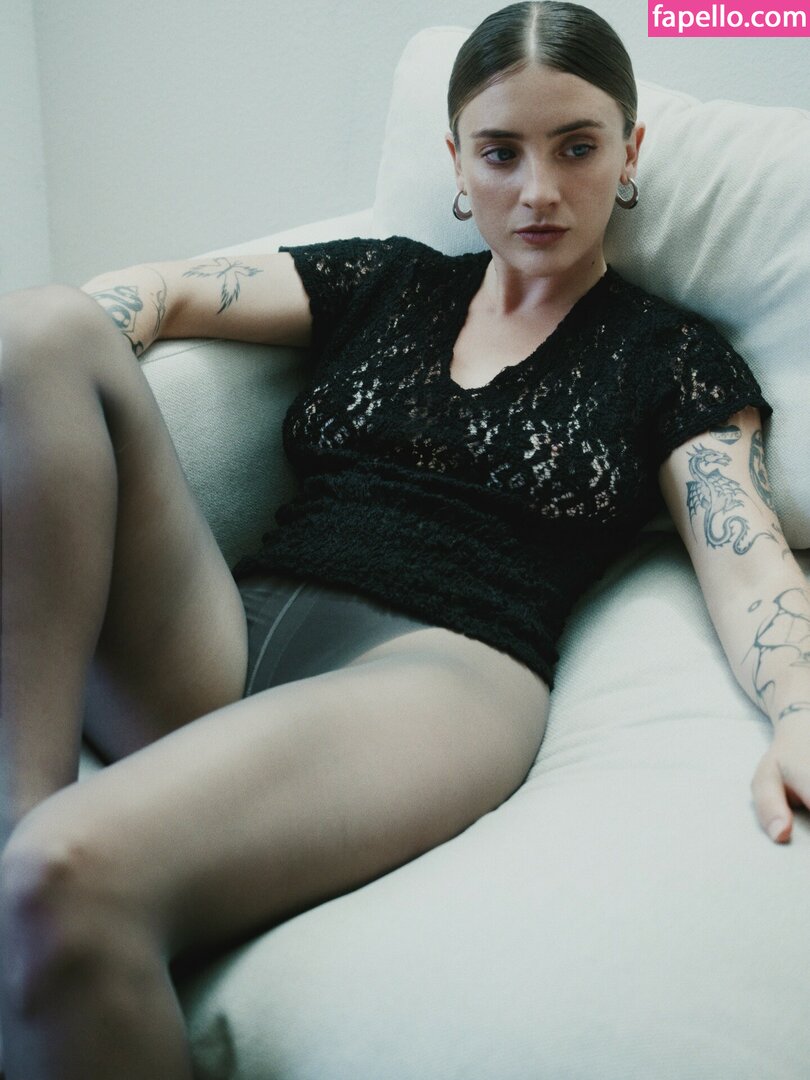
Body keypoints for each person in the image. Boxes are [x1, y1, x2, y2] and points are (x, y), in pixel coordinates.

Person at [0, 1, 808, 1075]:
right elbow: (175, 288)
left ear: (629, 152)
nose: (538, 189)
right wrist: (121, 315)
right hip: (230, 631)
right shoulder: (390, 280)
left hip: (438, 673)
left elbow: (748, 558)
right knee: (38, 328)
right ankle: (19, 802)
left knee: (62, 873)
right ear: (457, 163)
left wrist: (800, 711)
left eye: (576, 148)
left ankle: (31, 863)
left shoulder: (669, 357)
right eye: (501, 152)